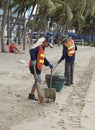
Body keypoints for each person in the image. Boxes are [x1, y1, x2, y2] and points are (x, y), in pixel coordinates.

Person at [28, 36, 54, 100]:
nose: (48, 46)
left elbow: (43, 58)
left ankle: (31, 95)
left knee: (37, 81)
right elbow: (31, 51)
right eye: (48, 44)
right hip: (34, 66)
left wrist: (48, 64)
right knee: (38, 80)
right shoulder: (38, 46)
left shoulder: (42, 47)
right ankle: (32, 95)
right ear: (45, 42)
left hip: (38, 66)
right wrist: (33, 59)